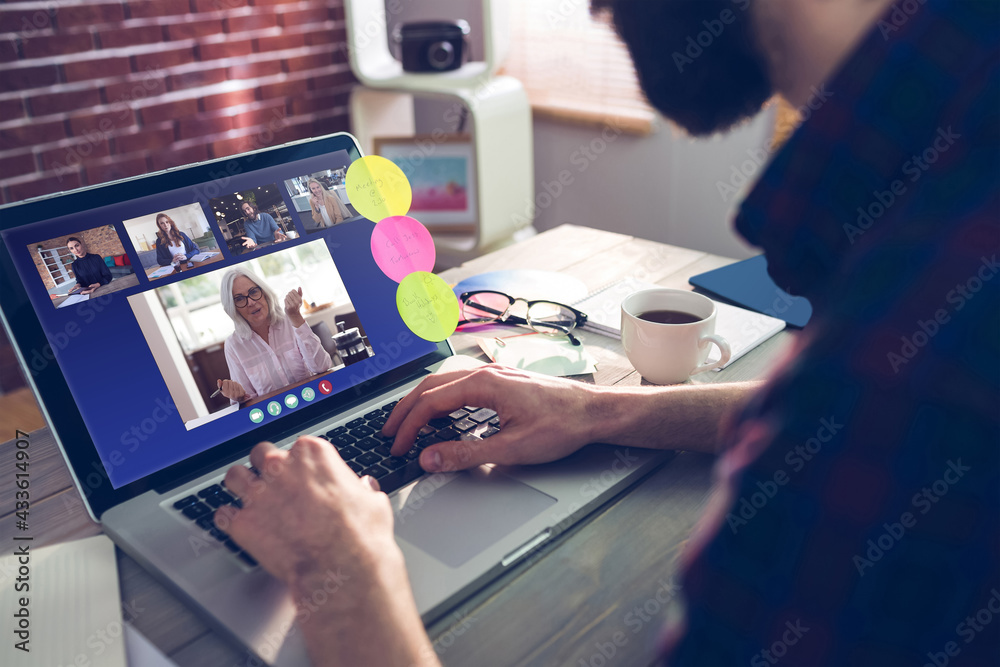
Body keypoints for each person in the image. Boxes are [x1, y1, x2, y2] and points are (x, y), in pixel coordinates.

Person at [214, 1, 999, 665]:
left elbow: (864, 411)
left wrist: (339, 574)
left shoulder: (910, 343)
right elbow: (834, 425)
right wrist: (604, 411)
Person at [215, 267, 333, 404]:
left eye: (253, 292)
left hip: (313, 400)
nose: (251, 302)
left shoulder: (290, 321)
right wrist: (238, 397)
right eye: (239, 299)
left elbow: (322, 367)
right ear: (232, 307)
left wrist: (296, 317)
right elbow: (245, 400)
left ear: (264, 293)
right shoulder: (233, 345)